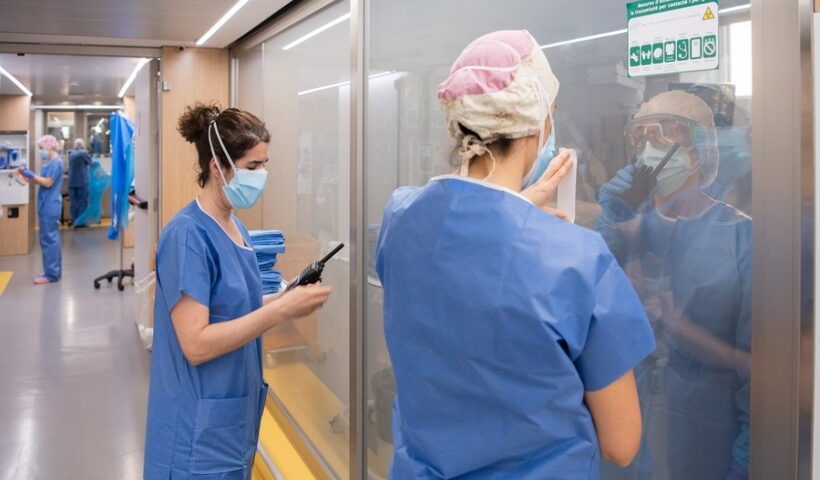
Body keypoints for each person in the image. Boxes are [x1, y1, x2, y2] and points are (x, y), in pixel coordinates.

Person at [376, 30, 656, 480]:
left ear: (458, 123)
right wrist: (521, 214)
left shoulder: (400, 217)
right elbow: (621, 445)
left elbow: (459, 250)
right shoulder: (575, 256)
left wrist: (516, 206)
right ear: (538, 121)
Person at [143, 103, 333, 479]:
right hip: (195, 431)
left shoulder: (235, 228)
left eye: (265, 164)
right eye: (252, 166)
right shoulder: (188, 236)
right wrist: (278, 312)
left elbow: (235, 308)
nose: (263, 175)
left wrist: (286, 299)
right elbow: (195, 344)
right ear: (217, 167)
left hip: (230, 418)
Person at [595, 91, 751, 480]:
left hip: (705, 441)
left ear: (698, 151)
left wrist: (746, 460)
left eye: (665, 136)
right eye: (641, 136)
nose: (649, 150)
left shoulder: (742, 237)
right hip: (627, 437)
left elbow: (761, 370)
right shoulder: (632, 228)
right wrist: (611, 221)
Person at [18, 135, 64, 285]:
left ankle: (51, 274)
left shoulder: (56, 162)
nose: (40, 151)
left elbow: (47, 183)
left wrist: (32, 175)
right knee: (51, 239)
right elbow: (42, 180)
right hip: (47, 205)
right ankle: (53, 271)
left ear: (49, 146)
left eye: (41, 148)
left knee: (49, 240)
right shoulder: (49, 162)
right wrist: (29, 176)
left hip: (50, 206)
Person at [67, 138, 93, 226]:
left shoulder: (71, 154)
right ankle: (81, 222)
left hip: (71, 181)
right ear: (82, 145)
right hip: (81, 181)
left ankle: (74, 221)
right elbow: (91, 163)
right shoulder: (84, 153)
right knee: (82, 202)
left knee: (74, 203)